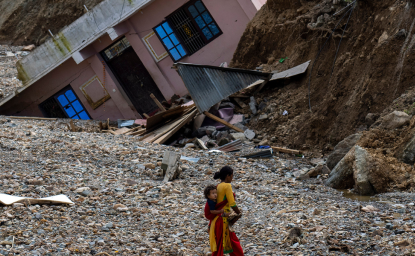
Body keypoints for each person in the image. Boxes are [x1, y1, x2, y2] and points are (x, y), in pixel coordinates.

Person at [204, 166, 244, 256]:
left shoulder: (217, 187)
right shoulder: (227, 186)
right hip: (223, 221)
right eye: (232, 176)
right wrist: (239, 213)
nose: (232, 178)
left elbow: (214, 206)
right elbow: (232, 203)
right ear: (227, 176)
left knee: (221, 244)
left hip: (215, 221)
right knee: (232, 242)